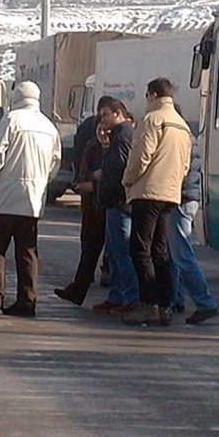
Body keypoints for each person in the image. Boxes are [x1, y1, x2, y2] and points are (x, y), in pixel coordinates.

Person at [0, 82, 60, 316]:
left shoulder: (11, 120)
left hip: (5, 198)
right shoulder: (48, 126)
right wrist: (41, 182)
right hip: (33, 200)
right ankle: (27, 300)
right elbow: (55, 164)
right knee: (27, 250)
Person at [120, 78, 192, 327]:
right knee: (161, 251)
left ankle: (148, 304)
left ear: (152, 95)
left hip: (148, 191)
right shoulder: (182, 126)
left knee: (140, 249)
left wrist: (127, 180)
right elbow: (185, 165)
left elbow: (141, 156)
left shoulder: (152, 120)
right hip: (170, 194)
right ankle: (165, 306)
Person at [90, 99, 140, 314]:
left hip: (118, 203)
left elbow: (120, 170)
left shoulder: (122, 136)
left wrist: (110, 190)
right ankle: (118, 296)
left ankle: (128, 297)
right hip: (116, 202)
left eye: (105, 115)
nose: (102, 120)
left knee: (121, 253)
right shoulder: (120, 135)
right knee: (115, 253)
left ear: (118, 113)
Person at [168, 118, 219, 325]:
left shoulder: (180, 140)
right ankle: (175, 298)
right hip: (190, 199)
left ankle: (205, 302)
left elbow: (176, 172)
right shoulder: (190, 138)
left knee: (182, 255)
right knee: (176, 254)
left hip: (180, 200)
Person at [54, 124, 109, 306]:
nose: (102, 133)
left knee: (116, 253)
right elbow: (86, 171)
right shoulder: (92, 147)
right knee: (89, 249)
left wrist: (93, 184)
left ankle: (118, 293)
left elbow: (115, 177)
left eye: (106, 129)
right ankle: (78, 289)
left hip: (110, 206)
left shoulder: (119, 146)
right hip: (92, 207)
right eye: (99, 128)